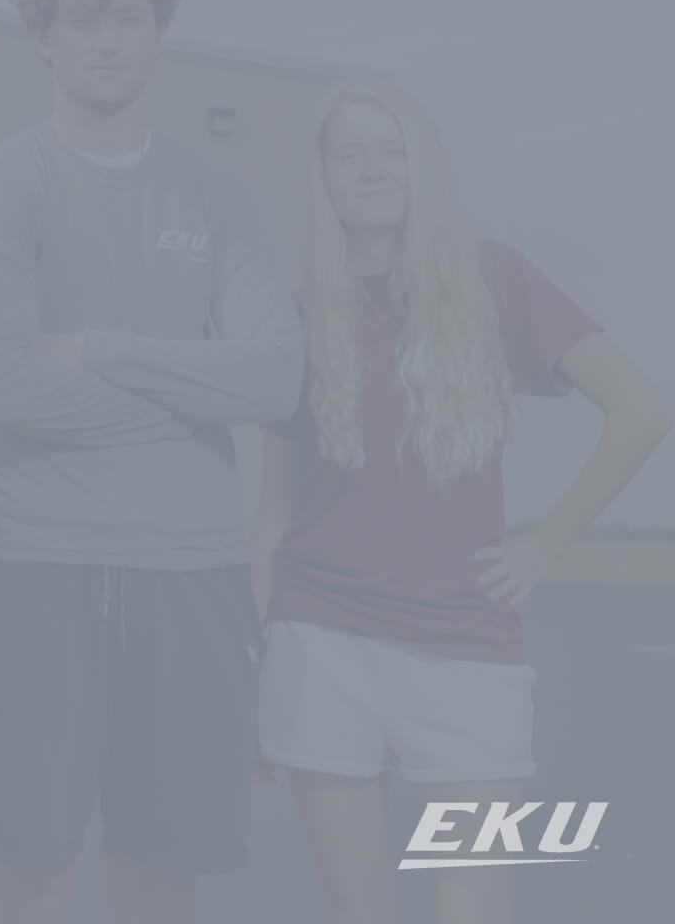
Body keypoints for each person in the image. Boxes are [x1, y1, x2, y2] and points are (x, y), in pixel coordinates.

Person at [0, 0, 304, 924]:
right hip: (36, 563)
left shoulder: (221, 196)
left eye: (127, 20)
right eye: (82, 21)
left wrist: (103, 349)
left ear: (160, 36)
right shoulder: (4, 184)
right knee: (32, 860)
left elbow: (275, 382)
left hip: (191, 570)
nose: (106, 42)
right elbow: (2, 388)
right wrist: (194, 396)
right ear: (43, 40)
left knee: (160, 863)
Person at [251, 79, 670, 924]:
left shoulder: (495, 278)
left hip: (466, 641)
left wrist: (546, 544)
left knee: (474, 900)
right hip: (321, 634)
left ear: (425, 167)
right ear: (323, 178)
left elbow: (641, 409)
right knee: (357, 910)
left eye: (392, 148)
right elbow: (270, 511)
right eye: (350, 153)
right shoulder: (294, 312)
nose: (372, 169)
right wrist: (259, 654)